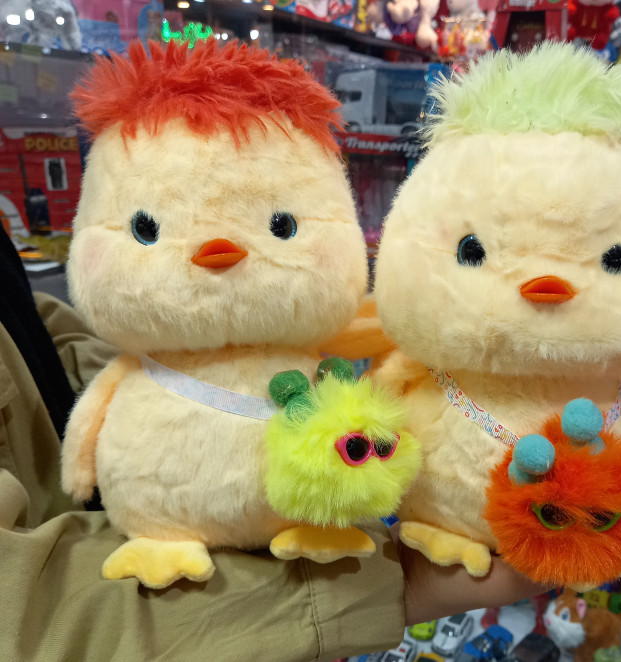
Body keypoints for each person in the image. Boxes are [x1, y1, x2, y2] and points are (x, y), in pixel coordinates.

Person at [0, 229, 543, 661]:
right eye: (147, 229)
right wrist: (389, 583)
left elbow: (43, 335)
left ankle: (312, 524)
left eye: (281, 226)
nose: (220, 246)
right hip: (168, 601)